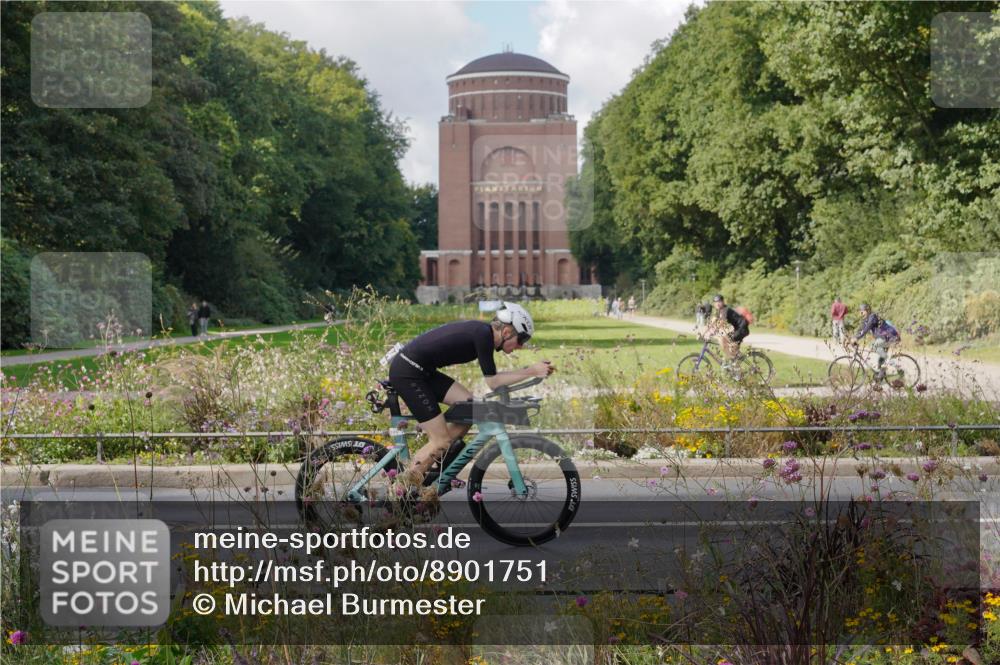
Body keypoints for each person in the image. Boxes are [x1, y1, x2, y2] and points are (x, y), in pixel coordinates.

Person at [388, 302, 555, 499]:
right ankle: (400, 491)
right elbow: (493, 382)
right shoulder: (483, 335)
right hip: (409, 372)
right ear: (508, 331)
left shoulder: (482, 333)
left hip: (421, 370)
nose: (521, 346)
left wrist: (530, 374)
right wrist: (531, 371)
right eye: (521, 339)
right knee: (441, 440)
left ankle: (434, 470)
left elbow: (495, 383)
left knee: (472, 409)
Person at [848, 303, 900, 379]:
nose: (861, 313)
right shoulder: (866, 319)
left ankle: (888, 361)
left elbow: (867, 328)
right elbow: (860, 330)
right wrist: (851, 338)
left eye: (862, 311)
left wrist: (857, 338)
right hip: (884, 337)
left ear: (868, 311)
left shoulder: (872, 317)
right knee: (880, 363)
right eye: (860, 312)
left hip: (890, 336)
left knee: (873, 345)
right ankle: (881, 376)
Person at [708, 294, 749, 360]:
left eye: (719, 301)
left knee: (724, 340)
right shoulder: (719, 311)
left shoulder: (725, 310)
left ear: (723, 302)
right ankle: (734, 359)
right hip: (738, 329)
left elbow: (722, 322)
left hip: (742, 328)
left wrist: (714, 330)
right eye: (716, 302)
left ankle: (733, 359)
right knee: (724, 340)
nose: (717, 304)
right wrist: (703, 333)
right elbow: (711, 322)